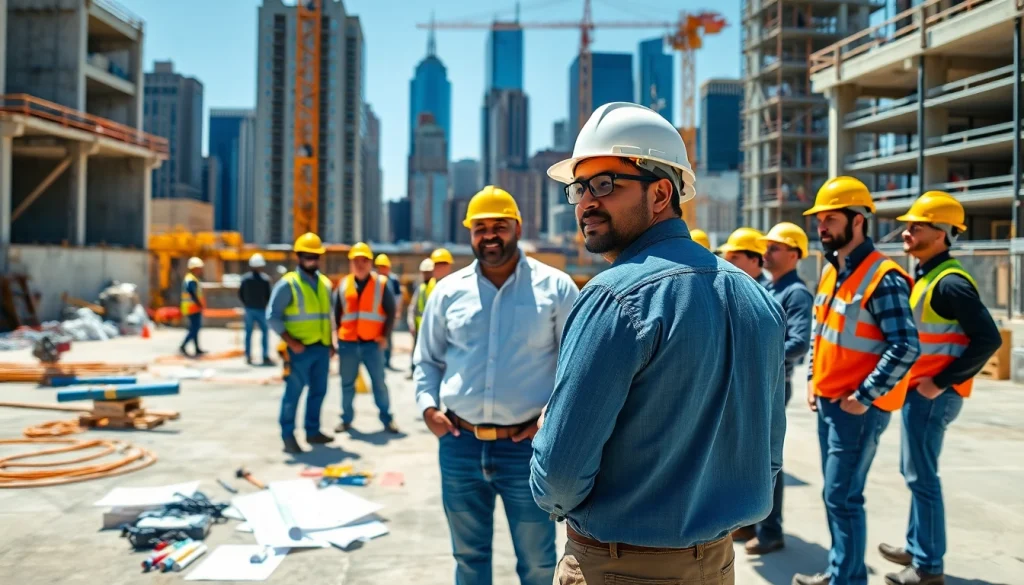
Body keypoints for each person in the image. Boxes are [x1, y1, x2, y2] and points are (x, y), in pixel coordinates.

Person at [531, 102, 787, 585]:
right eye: (579, 188)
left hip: (619, 565)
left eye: (605, 184)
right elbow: (767, 454)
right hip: (716, 564)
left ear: (661, 192)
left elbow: (560, 477)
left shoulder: (615, 297)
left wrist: (549, 448)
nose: (586, 202)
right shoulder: (756, 297)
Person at [414, 185, 580, 585]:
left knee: (538, 561)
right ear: (469, 233)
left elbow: (576, 367)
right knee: (469, 558)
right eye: (480, 227)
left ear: (518, 227)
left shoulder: (555, 289)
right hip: (460, 444)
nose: (489, 235)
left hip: (525, 449)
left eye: (499, 226)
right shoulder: (447, 292)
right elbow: (428, 359)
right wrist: (427, 407)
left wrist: (548, 420)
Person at [793, 176, 921, 585]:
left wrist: (864, 396)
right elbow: (821, 331)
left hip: (856, 410)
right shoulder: (833, 271)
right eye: (820, 219)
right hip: (830, 402)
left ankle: (846, 579)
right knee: (837, 497)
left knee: (842, 497)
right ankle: (840, 573)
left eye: (831, 218)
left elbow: (905, 346)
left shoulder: (883, 276)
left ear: (859, 220)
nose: (823, 226)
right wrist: (814, 377)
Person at [877, 192, 1002, 585]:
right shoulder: (928, 276)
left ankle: (929, 567)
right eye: (908, 225)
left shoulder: (950, 284)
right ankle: (917, 547)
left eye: (916, 226)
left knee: (922, 477)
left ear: (942, 233)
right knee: (913, 471)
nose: (907, 232)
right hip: (921, 392)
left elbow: (988, 339)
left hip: (933, 395)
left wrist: (940, 382)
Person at [735, 222, 813, 555]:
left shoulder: (796, 292)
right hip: (757, 381)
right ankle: (751, 520)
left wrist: (756, 351)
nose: (766, 253)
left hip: (774, 384)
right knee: (749, 456)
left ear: (795, 253)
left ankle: (771, 530)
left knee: (767, 457)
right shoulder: (769, 287)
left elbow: (798, 342)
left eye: (774, 248)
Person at [266, 232, 335, 454]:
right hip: (299, 350)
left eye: (315, 256)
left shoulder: (325, 284)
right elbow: (272, 316)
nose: (311, 260)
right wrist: (290, 341)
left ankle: (312, 431)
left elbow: (326, 316)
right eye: (307, 256)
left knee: (319, 392)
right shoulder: (288, 284)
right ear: (298, 257)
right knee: (293, 393)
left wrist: (330, 343)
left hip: (321, 348)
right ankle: (288, 435)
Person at [335, 242, 397, 434]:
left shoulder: (381, 283)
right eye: (356, 261)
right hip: (348, 344)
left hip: (372, 344)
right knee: (347, 384)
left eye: (364, 260)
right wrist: (339, 336)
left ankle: (387, 418)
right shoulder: (343, 284)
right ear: (350, 263)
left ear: (370, 263)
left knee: (378, 382)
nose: (360, 264)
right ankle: (346, 419)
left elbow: (391, 311)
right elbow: (337, 313)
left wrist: (384, 336)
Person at [239, 253, 274, 366]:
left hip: (249, 309)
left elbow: (240, 294)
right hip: (261, 310)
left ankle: (248, 355)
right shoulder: (265, 280)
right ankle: (264, 356)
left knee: (248, 333)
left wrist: (246, 303)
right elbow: (269, 295)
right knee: (264, 332)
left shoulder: (245, 279)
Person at [406, 257, 434, 380]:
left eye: (427, 272)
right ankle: (413, 371)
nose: (425, 274)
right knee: (416, 350)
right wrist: (411, 322)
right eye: (424, 272)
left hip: (432, 327)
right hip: (420, 326)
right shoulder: (421, 288)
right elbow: (413, 307)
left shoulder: (436, 286)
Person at [374, 253, 403, 370]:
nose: (382, 269)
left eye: (384, 267)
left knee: (388, 337)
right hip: (376, 315)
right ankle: (377, 360)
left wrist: (397, 313)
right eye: (380, 267)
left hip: (389, 314)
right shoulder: (373, 280)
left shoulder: (393, 280)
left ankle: (387, 360)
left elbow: (398, 297)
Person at [180, 257, 207, 357]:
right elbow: (192, 293)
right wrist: (199, 304)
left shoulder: (191, 278)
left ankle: (197, 348)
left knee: (195, 328)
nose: (201, 270)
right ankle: (183, 345)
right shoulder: (191, 279)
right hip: (192, 307)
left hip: (193, 307)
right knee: (194, 328)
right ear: (194, 268)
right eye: (199, 268)